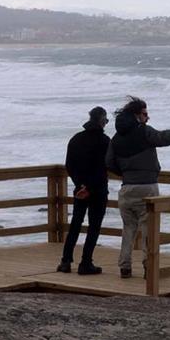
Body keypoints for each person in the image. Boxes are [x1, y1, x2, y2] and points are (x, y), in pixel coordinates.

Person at [106, 96, 170, 279]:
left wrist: (126, 173)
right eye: (145, 114)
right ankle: (148, 267)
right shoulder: (144, 131)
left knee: (128, 229)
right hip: (147, 188)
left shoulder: (116, 138)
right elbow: (168, 137)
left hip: (127, 189)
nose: (148, 117)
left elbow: (109, 162)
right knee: (148, 230)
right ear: (136, 115)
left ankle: (125, 267)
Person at [57, 106, 110, 275]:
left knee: (75, 224)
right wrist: (91, 187)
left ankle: (65, 261)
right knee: (94, 226)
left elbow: (69, 165)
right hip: (98, 189)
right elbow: (106, 166)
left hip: (80, 189)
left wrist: (81, 185)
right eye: (106, 120)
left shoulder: (76, 139)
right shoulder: (105, 141)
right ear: (101, 121)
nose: (106, 123)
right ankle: (86, 263)